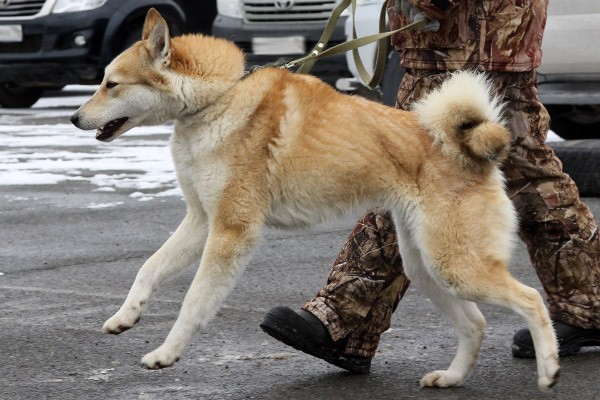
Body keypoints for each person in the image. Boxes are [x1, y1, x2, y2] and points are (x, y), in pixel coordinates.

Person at [259, 0, 600, 374]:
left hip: (460, 37)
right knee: (530, 180)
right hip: (482, 37)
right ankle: (589, 304)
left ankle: (345, 318)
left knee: (408, 178)